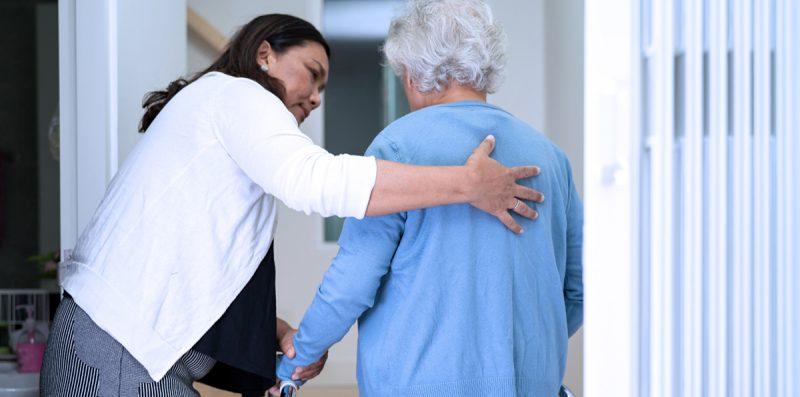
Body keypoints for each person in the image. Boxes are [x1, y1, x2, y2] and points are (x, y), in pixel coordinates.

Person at [39, 13, 544, 397]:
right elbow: (316, 181)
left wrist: (277, 333)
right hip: (117, 348)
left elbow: (204, 260)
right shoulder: (238, 97)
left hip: (111, 341)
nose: (318, 96)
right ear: (264, 55)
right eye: (312, 73)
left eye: (324, 86)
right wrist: (468, 184)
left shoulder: (222, 115)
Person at [275, 1, 583, 396]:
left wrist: (299, 357)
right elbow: (578, 286)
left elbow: (353, 278)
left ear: (417, 74)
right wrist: (535, 344)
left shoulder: (398, 147)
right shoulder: (550, 158)